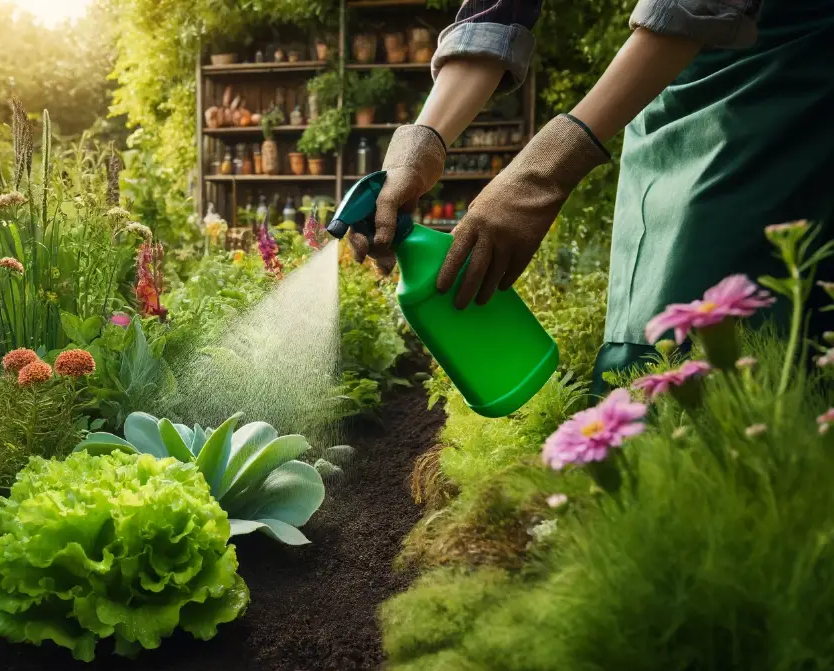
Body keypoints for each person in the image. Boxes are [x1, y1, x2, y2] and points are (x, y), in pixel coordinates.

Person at [352, 0, 834, 394]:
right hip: (664, 87)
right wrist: (419, 146)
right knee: (648, 340)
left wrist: (545, 170)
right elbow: (497, 10)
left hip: (787, 81)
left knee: (755, 346)